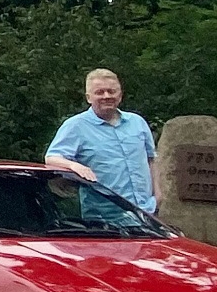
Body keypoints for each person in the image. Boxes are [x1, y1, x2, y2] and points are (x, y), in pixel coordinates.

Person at [45, 68, 157, 215]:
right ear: (88, 97)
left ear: (120, 94)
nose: (106, 96)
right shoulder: (76, 126)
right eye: (100, 92)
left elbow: (151, 159)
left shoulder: (137, 122)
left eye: (112, 91)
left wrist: (158, 195)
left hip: (147, 212)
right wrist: (75, 166)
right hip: (104, 216)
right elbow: (51, 158)